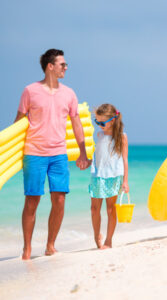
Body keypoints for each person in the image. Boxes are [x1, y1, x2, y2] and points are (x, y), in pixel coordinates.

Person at [15, 49, 90, 260]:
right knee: (32, 201)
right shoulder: (30, 91)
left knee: (59, 200)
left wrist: (82, 153)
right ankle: (27, 248)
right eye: (62, 64)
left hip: (59, 153)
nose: (66, 68)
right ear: (51, 66)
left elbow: (76, 123)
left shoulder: (69, 94)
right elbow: (19, 121)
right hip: (34, 153)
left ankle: (50, 245)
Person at [89, 103, 129, 249]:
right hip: (97, 175)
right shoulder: (99, 135)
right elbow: (97, 154)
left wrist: (125, 181)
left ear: (112, 120)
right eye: (97, 122)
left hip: (113, 176)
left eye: (102, 122)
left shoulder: (121, 137)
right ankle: (96, 236)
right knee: (94, 209)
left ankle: (109, 240)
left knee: (110, 209)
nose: (99, 125)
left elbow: (125, 159)